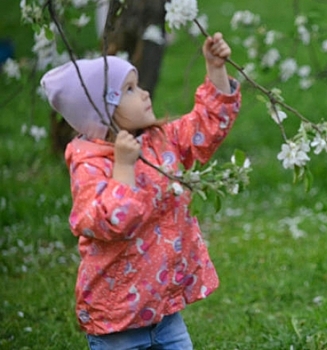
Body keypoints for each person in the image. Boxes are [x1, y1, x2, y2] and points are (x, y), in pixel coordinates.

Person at [40, 32, 240, 349]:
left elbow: (205, 126)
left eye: (138, 84)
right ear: (101, 112)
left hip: (163, 312)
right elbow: (112, 222)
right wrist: (124, 167)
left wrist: (215, 69)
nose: (145, 93)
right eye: (129, 90)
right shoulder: (90, 165)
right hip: (117, 323)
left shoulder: (159, 141)